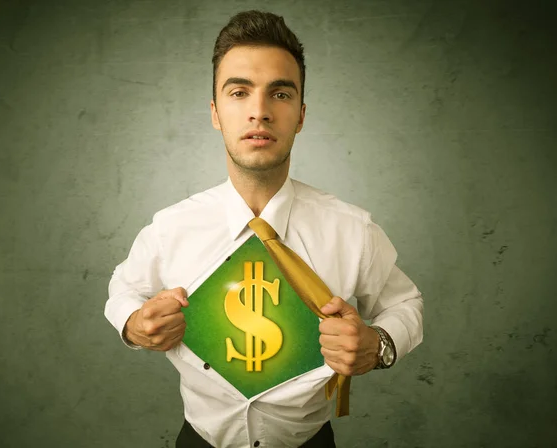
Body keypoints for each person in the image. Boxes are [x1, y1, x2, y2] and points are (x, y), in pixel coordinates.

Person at [105, 9, 424, 448]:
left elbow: (405, 303)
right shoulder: (170, 228)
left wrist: (380, 344)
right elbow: (122, 289)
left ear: (301, 114)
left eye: (280, 94)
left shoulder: (353, 231)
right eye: (239, 92)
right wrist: (133, 324)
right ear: (216, 113)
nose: (259, 112)